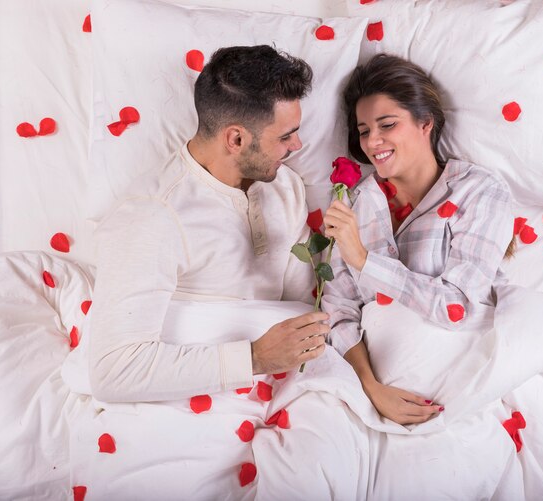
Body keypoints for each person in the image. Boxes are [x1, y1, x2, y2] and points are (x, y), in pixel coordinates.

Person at [88, 45, 329, 402]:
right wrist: (256, 356)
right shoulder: (154, 215)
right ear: (236, 139)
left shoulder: (284, 187)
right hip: (188, 403)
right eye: (284, 136)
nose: (299, 144)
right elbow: (113, 370)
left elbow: (301, 308)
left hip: (283, 391)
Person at [322, 53, 515, 426]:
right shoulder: (355, 203)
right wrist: (370, 388)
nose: (372, 141)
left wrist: (365, 261)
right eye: (363, 131)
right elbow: (339, 309)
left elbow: (458, 307)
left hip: (458, 387)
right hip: (367, 395)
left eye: (387, 125)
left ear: (425, 122)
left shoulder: (477, 192)